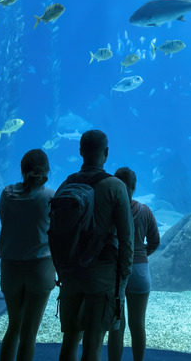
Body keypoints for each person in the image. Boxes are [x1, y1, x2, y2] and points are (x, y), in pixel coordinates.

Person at [57, 130, 134, 361]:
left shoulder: (66, 184)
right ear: (106, 153)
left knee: (69, 341)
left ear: (80, 151)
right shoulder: (115, 186)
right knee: (93, 344)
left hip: (70, 273)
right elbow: (126, 237)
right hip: (102, 275)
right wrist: (124, 274)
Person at [0, 149, 56, 361]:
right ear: (46, 170)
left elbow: (4, 219)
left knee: (13, 327)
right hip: (40, 268)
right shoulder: (50, 196)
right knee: (29, 333)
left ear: (22, 170)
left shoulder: (7, 193)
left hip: (10, 267)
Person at [108, 167, 161, 361]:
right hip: (140, 271)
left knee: (116, 325)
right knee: (138, 324)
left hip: (115, 272)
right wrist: (140, 254)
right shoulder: (145, 210)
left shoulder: (110, 212)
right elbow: (155, 242)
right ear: (134, 187)